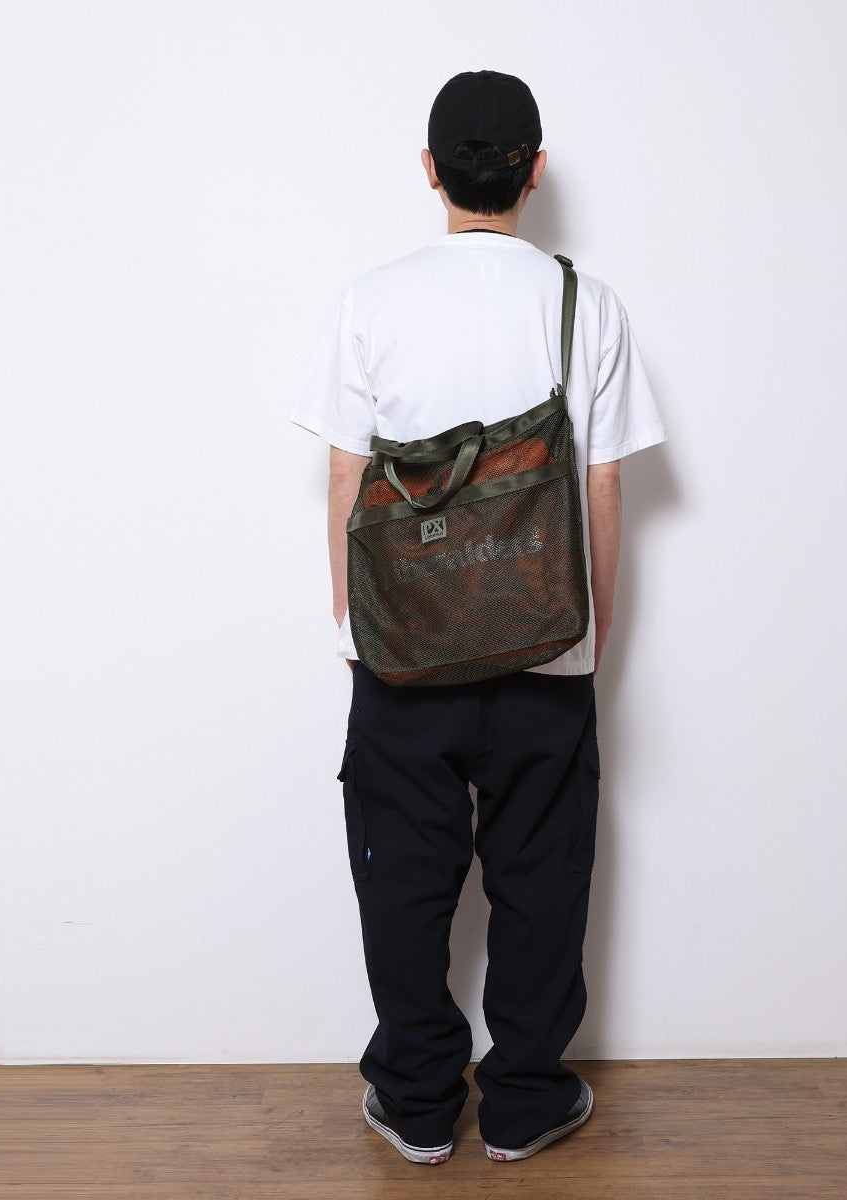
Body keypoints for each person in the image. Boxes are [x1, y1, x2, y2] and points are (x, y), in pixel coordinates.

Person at [287, 69, 667, 1165]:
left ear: (430, 169)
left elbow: (347, 481)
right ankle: (526, 1103)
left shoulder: (371, 300)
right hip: (547, 648)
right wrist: (587, 644)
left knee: (402, 883)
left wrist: (357, 634)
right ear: (534, 171)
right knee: (543, 881)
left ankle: (415, 1104)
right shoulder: (586, 302)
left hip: (402, 656)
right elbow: (601, 487)